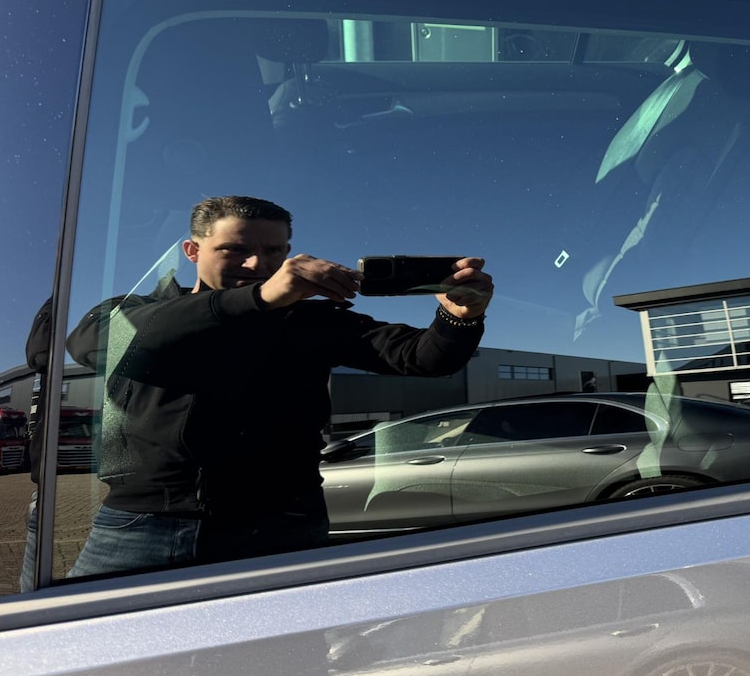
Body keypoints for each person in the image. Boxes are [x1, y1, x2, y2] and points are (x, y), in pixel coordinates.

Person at [63, 194, 492, 578]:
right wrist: (259, 299)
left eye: (273, 251)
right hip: (145, 524)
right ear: (193, 251)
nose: (256, 264)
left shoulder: (309, 320)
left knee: (291, 644)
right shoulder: (143, 309)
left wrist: (459, 317)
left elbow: (423, 357)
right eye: (235, 249)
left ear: (287, 252)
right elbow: (89, 344)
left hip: (282, 523)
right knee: (82, 639)